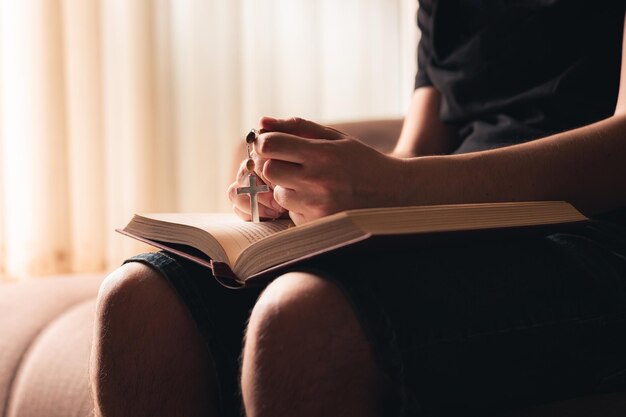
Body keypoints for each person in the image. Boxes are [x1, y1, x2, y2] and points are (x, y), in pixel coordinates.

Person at [90, 1, 626, 416]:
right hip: (455, 223)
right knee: (138, 303)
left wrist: (396, 185)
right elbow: (420, 146)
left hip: (591, 235)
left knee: (302, 318)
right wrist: (311, 187)